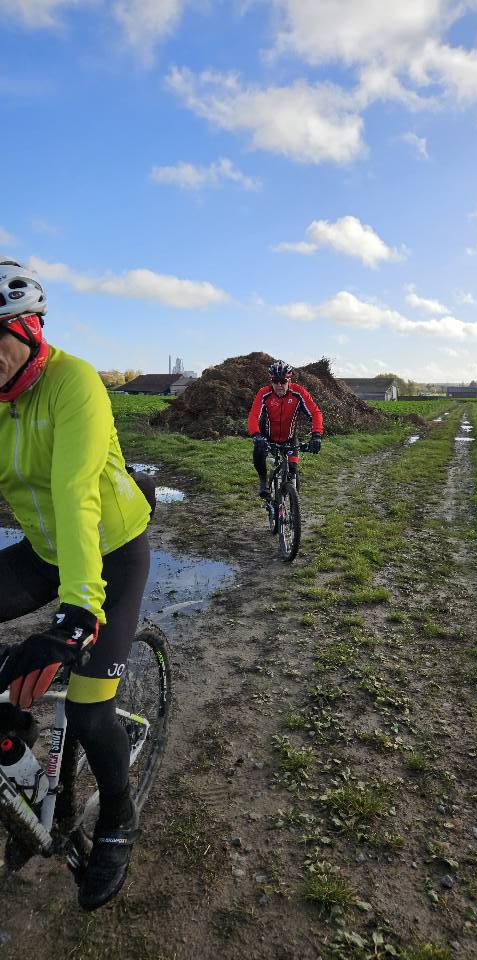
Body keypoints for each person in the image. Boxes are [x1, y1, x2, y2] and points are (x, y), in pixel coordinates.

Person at [0, 258, 154, 910]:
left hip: (109, 553)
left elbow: (75, 493)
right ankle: (16, 743)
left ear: (30, 329)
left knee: (90, 709)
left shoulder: (74, 382)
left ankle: (118, 818)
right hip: (45, 551)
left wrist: (79, 613)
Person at [248, 360, 323, 495]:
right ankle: (263, 481)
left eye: (283, 381)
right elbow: (253, 415)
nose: (279, 385)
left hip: (289, 438)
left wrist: (316, 435)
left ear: (289, 380)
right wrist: (256, 435)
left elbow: (315, 413)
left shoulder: (298, 393)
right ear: (271, 381)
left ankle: (293, 502)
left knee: (293, 468)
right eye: (275, 381)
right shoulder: (264, 393)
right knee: (258, 454)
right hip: (267, 436)